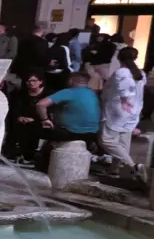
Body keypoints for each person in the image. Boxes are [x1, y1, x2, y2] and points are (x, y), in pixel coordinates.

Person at [34, 73, 100, 170]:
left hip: (70, 132)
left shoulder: (69, 92)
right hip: (92, 133)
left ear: (70, 81)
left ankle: (39, 164)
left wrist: (45, 119)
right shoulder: (93, 94)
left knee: (34, 126)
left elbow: (40, 105)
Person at [99, 47, 145, 177]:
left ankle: (132, 165)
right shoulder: (140, 73)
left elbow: (124, 88)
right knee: (123, 143)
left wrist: (124, 101)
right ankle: (114, 170)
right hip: (132, 112)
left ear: (119, 58)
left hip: (118, 111)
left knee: (106, 140)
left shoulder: (123, 72)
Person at [4, 71, 48, 165]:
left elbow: (49, 110)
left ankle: (28, 156)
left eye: (34, 80)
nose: (31, 83)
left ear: (40, 82)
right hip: (22, 119)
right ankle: (13, 153)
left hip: (40, 120)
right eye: (28, 81)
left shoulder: (47, 94)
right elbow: (15, 108)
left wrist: (35, 119)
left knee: (32, 127)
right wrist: (19, 116)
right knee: (16, 125)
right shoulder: (20, 94)